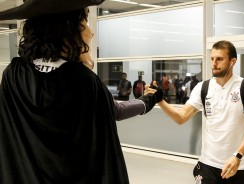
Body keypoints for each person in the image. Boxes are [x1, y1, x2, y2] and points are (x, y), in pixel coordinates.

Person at [0, 1, 161, 183]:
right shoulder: (83, 81)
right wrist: (149, 99)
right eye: (84, 23)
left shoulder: (13, 75)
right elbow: (116, 110)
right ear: (66, 30)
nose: (91, 33)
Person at [152, 40, 244, 184]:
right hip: (208, 163)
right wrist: (160, 101)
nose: (214, 63)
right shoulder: (202, 87)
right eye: (212, 59)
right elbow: (181, 117)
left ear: (232, 62)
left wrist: (237, 156)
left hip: (237, 165)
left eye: (220, 59)